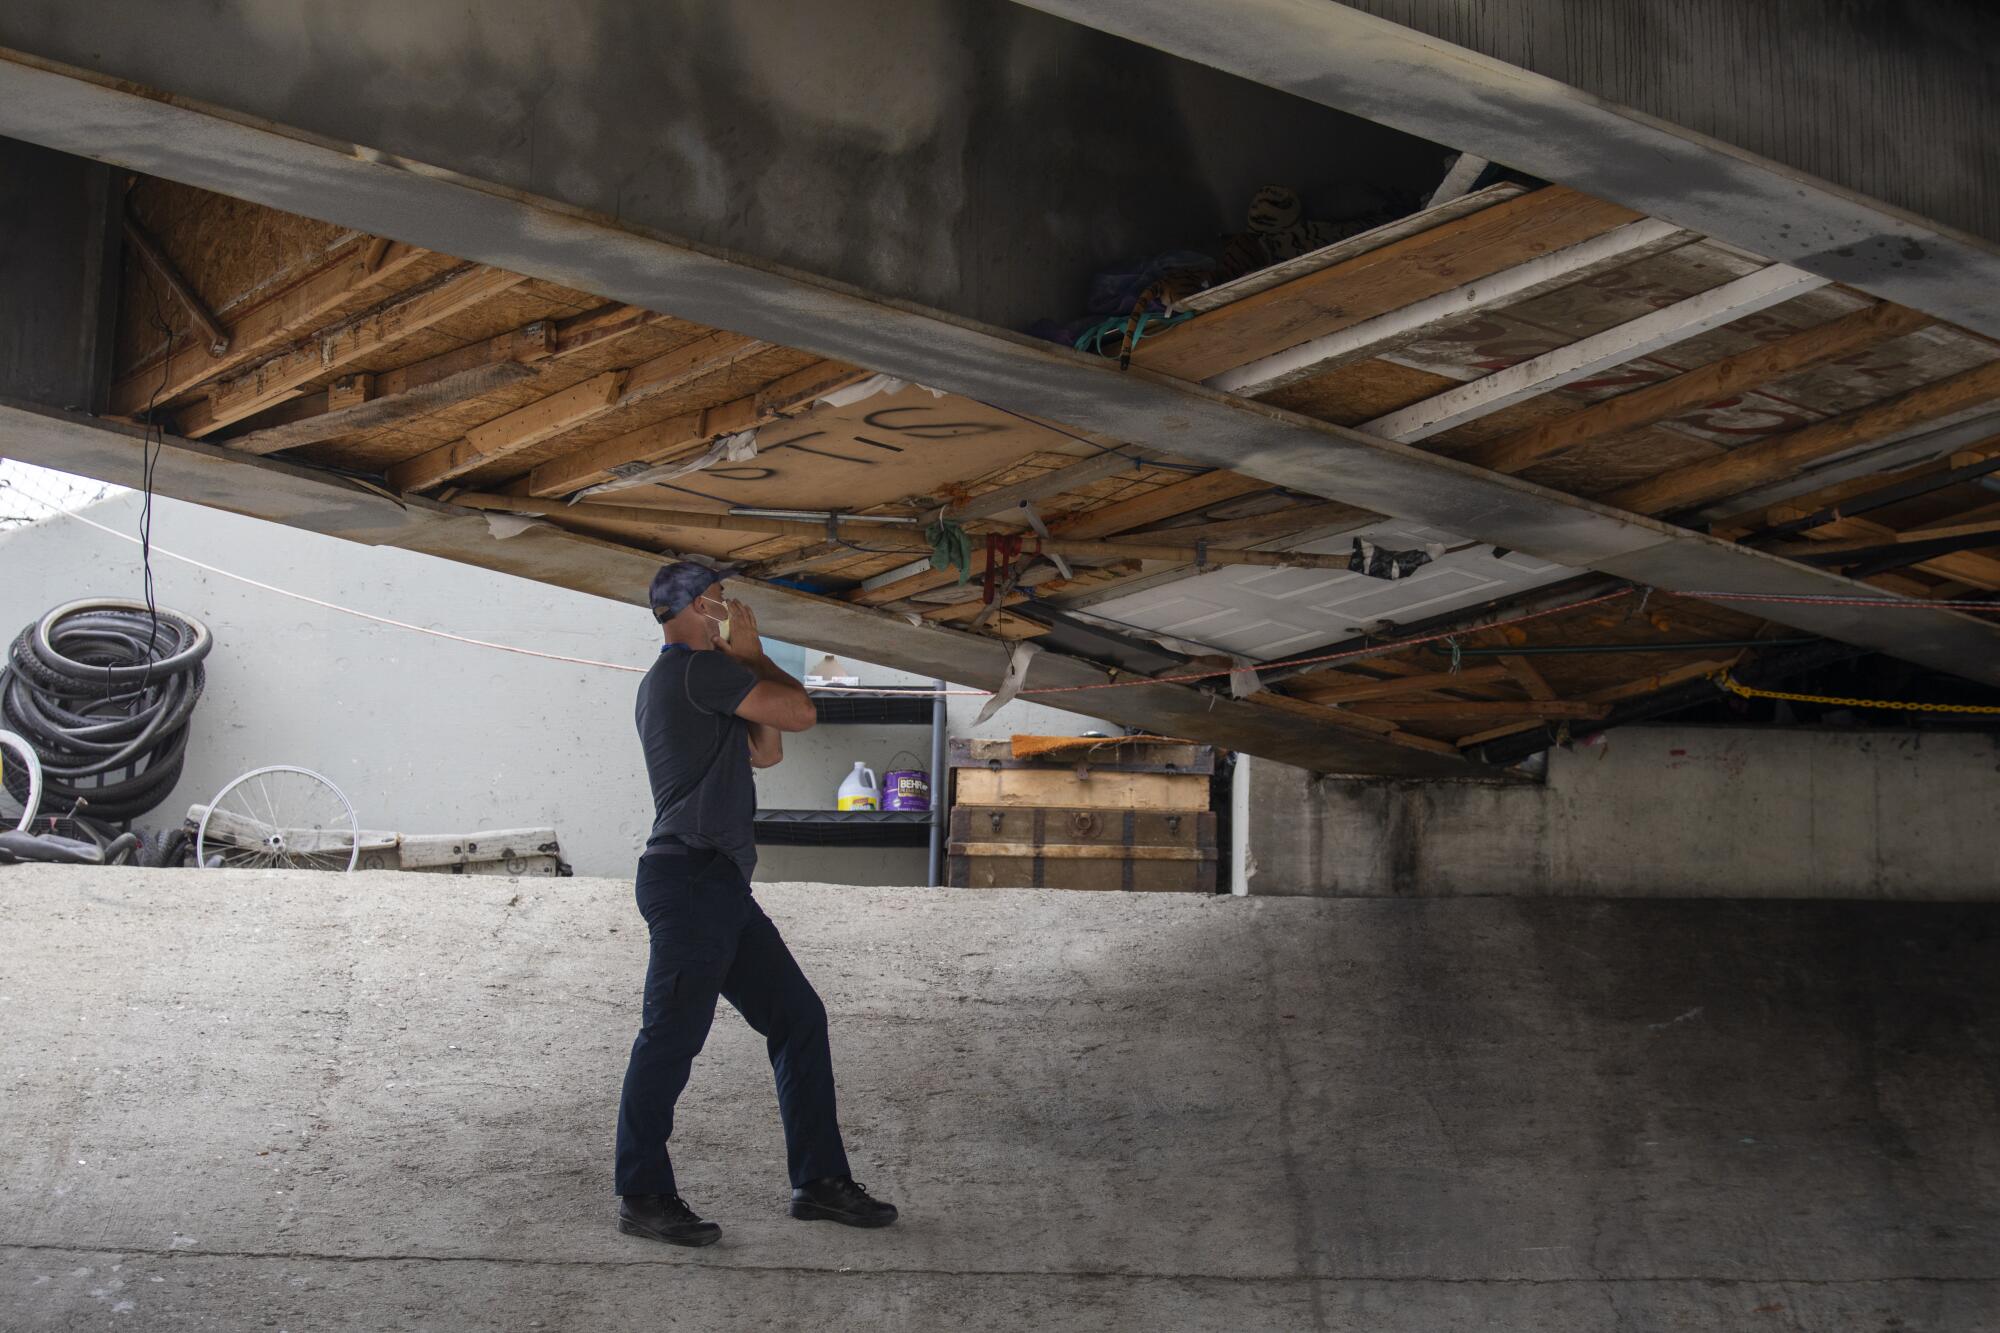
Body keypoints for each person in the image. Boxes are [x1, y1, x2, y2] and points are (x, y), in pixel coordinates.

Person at [614, 561, 898, 1246]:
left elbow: (765, 751)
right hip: (690, 880)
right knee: (671, 1036)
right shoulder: (695, 669)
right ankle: (642, 1192)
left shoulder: (694, 679)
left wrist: (743, 663)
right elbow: (799, 713)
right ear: (695, 607)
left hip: (715, 883)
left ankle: (820, 1182)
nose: (731, 606)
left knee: (797, 1016)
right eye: (719, 598)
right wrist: (756, 653)